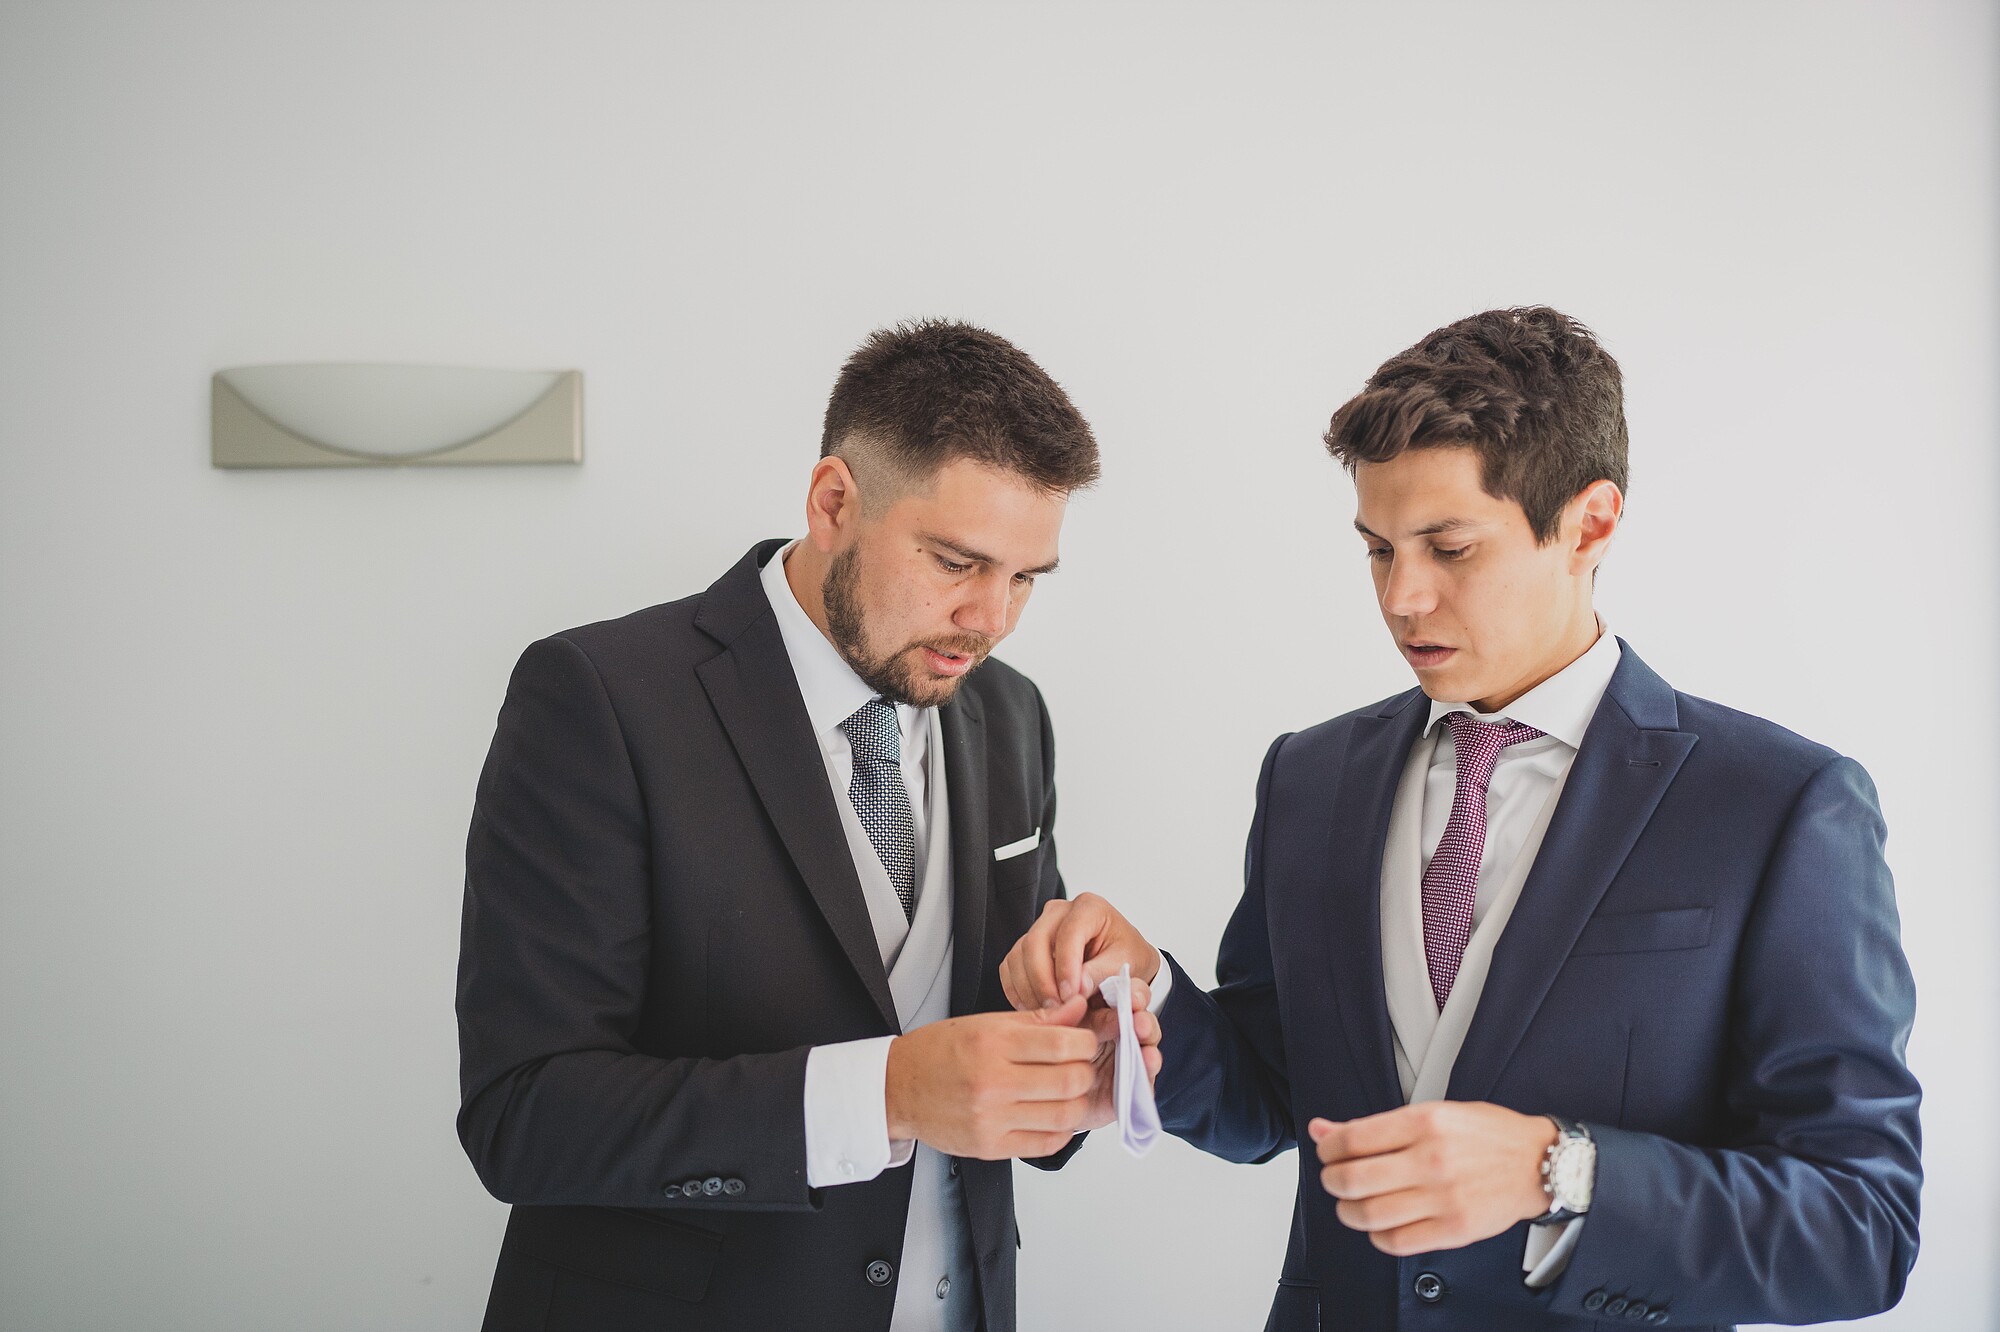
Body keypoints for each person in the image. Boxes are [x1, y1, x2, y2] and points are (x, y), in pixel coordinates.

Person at [1000, 307, 1920, 1329]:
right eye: (1377, 550)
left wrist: (1558, 1173)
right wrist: (1149, 1000)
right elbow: (1272, 1094)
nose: (1402, 598)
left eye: (1448, 548)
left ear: (1591, 522)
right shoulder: (1309, 778)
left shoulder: (1777, 805)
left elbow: (1860, 1225)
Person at [457, 319, 1159, 1332]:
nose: (990, 619)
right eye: (956, 561)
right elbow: (525, 1117)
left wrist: (1076, 1058)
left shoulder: (1011, 714)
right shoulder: (600, 698)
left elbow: (988, 1030)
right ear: (834, 501)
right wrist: (882, 1095)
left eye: (1024, 578)